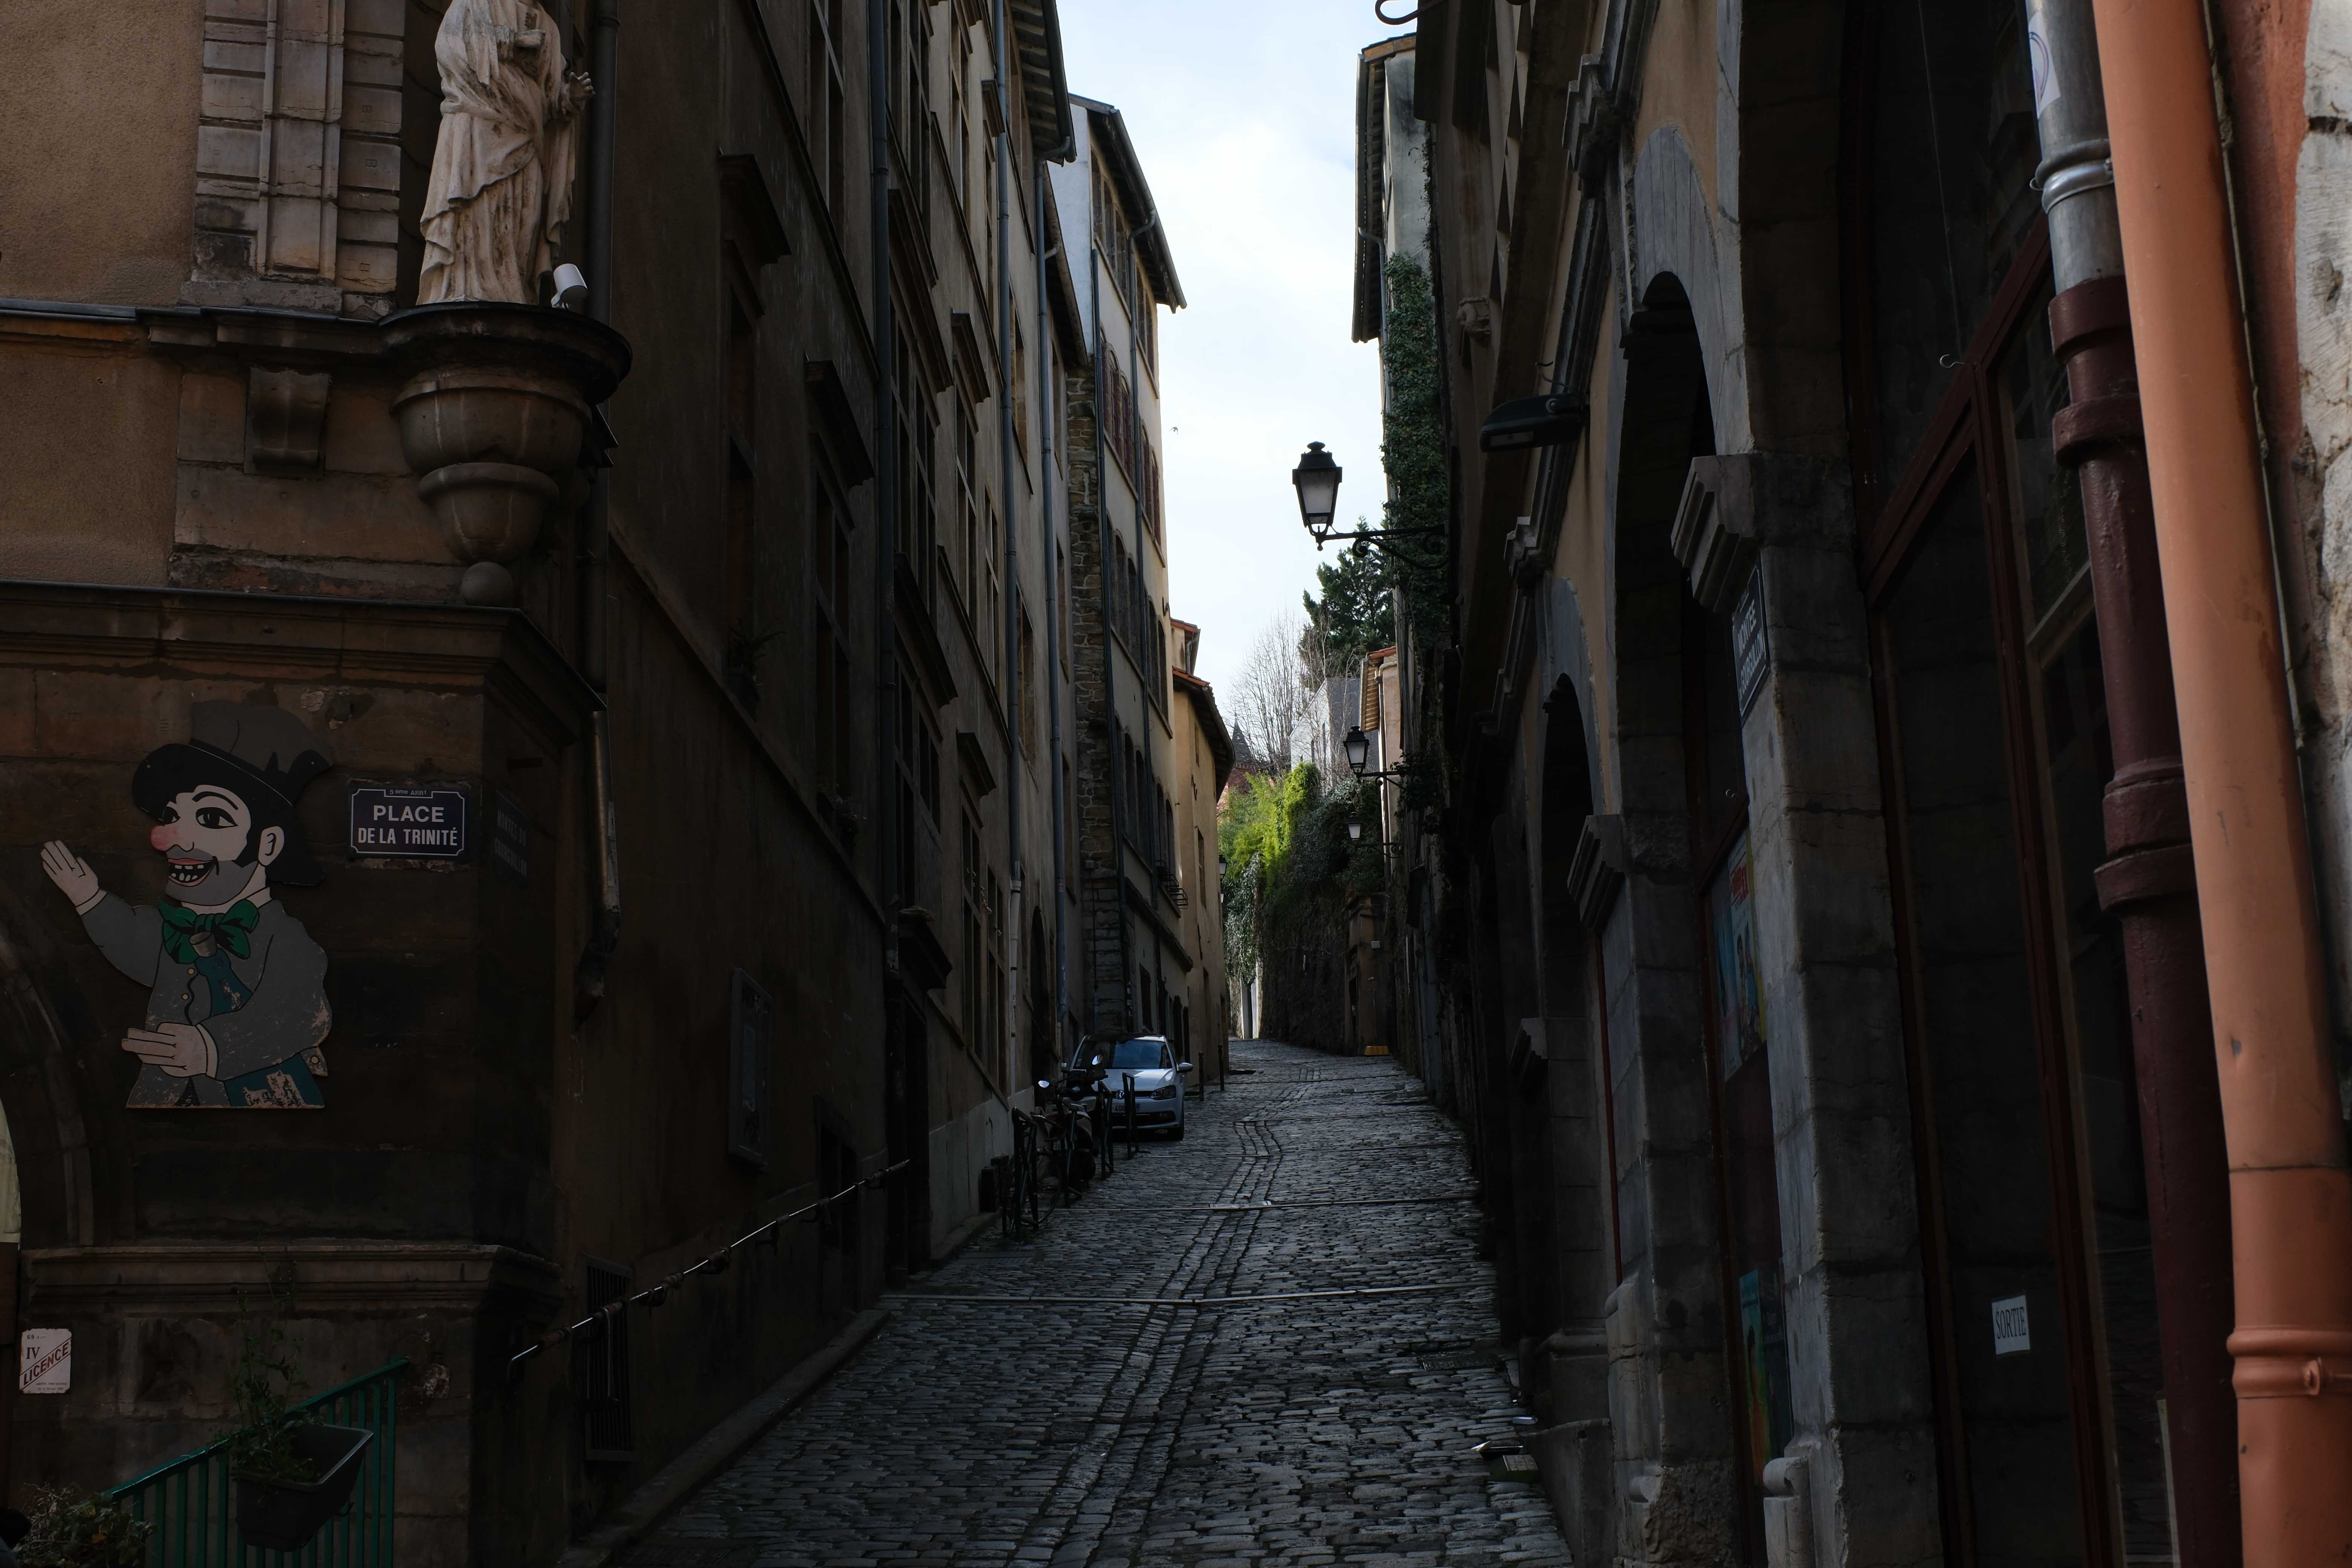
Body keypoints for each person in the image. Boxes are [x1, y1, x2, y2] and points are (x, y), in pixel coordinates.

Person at [41, 703, 334, 1109]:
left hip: (263, 1101)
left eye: (211, 817)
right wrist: (89, 898)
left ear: (268, 844)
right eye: (173, 816)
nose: (172, 839)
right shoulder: (173, 928)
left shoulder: (284, 938)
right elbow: (133, 942)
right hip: (167, 1100)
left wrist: (210, 1047)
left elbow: (302, 1011)